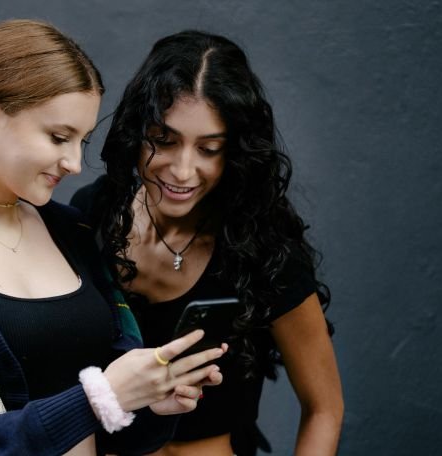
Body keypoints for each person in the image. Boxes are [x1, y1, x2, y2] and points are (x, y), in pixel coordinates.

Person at [0, 20, 227, 456]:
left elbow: (115, 428)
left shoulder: (71, 230)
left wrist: (151, 402)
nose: (74, 163)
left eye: (82, 141)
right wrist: (100, 397)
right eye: (58, 137)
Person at [71, 30, 343, 456]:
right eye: (164, 140)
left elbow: (324, 408)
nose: (183, 170)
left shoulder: (263, 248)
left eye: (209, 148)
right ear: (137, 133)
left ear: (233, 152)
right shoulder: (94, 213)